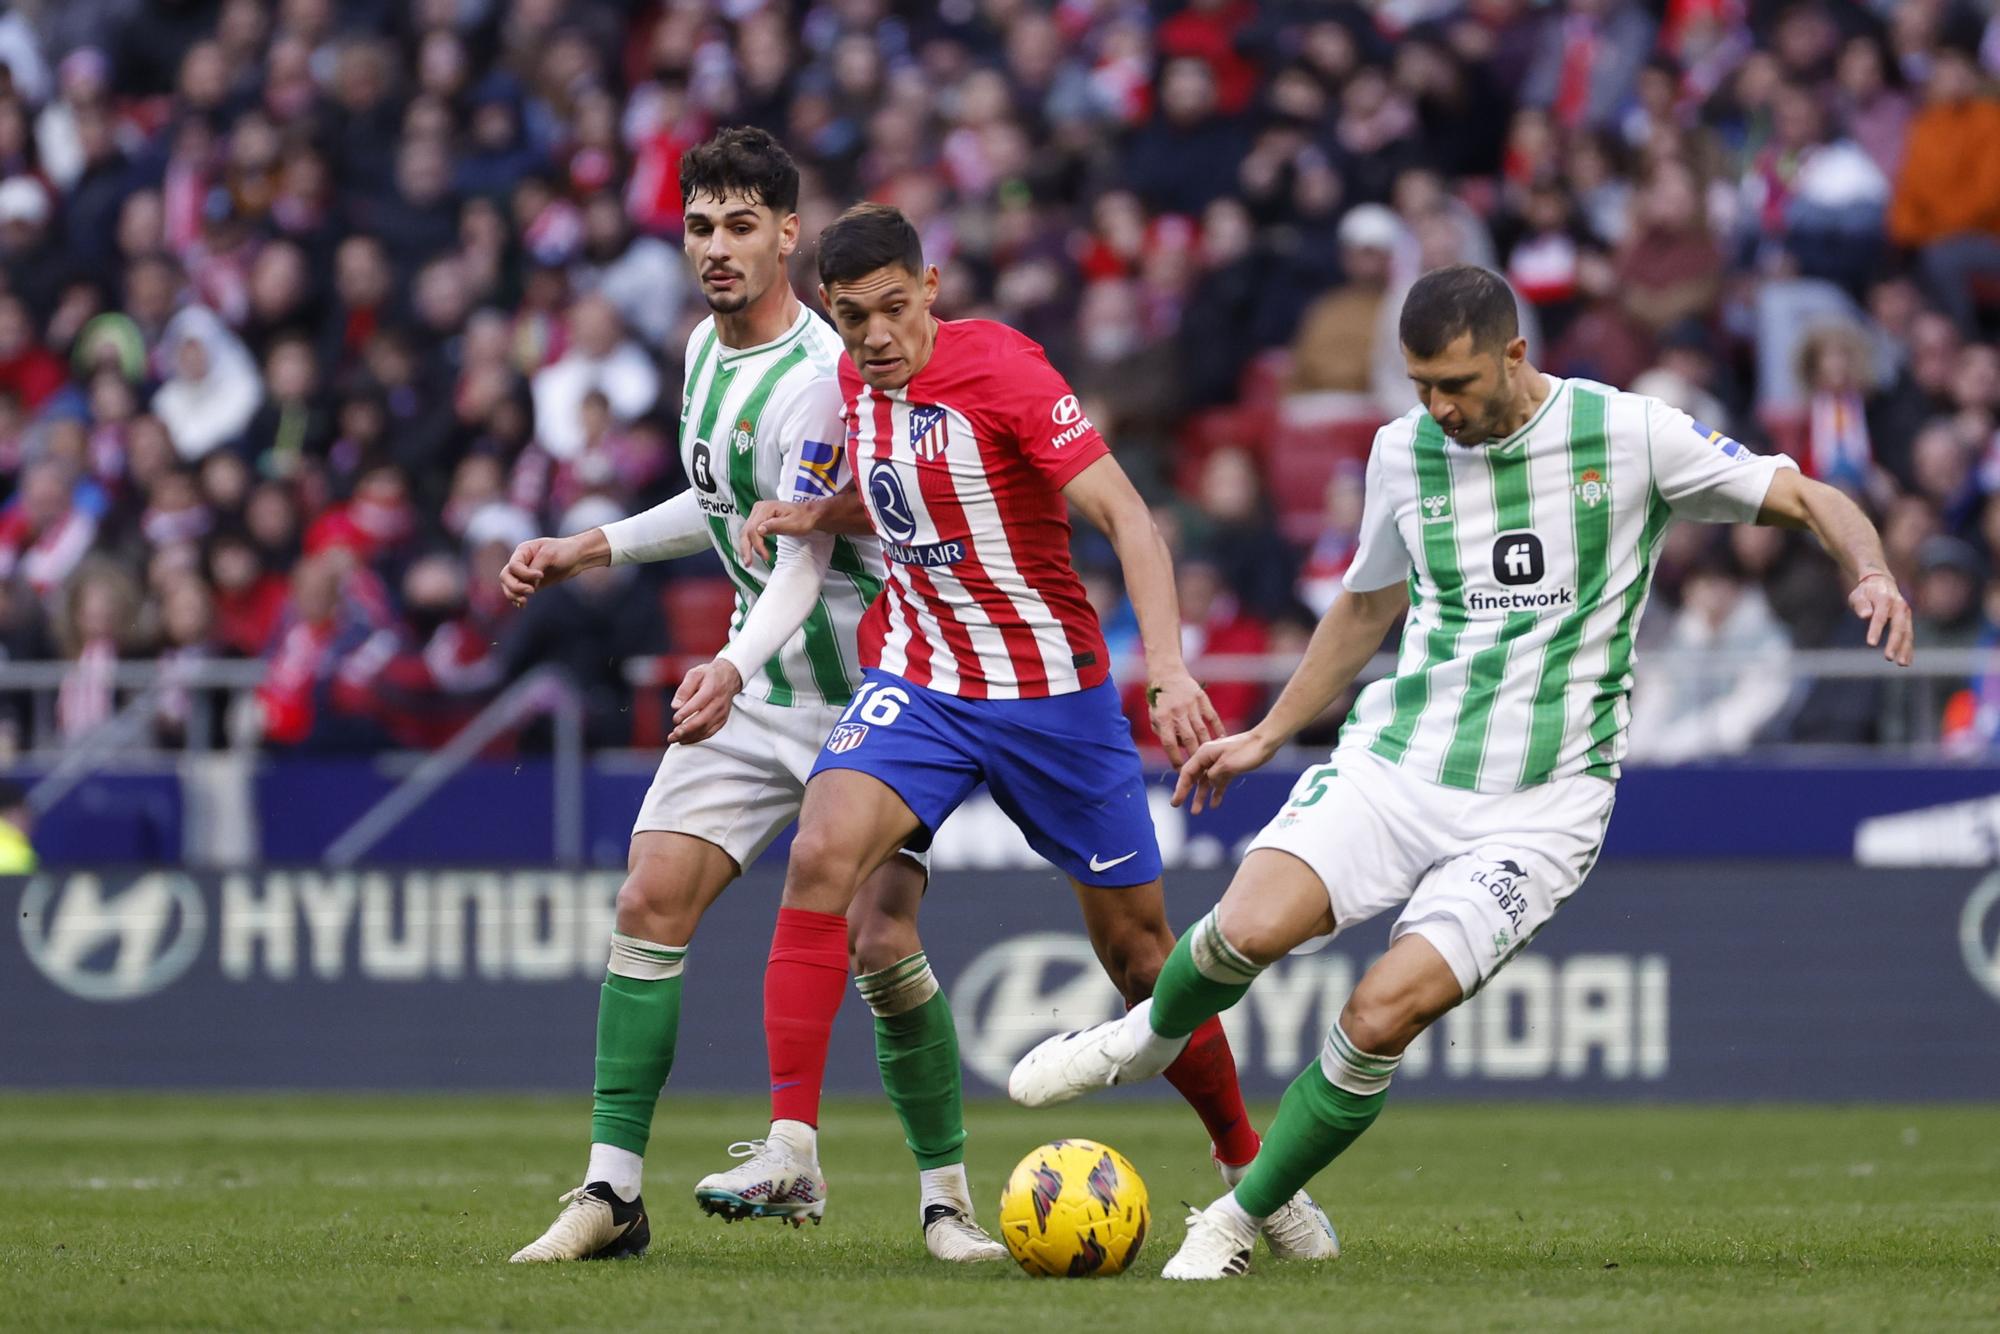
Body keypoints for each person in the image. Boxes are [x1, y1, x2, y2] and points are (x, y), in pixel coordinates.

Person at [1007, 264, 1914, 1279]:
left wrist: (1868, 569)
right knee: (1243, 928)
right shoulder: (1404, 453)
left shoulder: (1627, 434)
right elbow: (1362, 607)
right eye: (1418, 385)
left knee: (1377, 1015)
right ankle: (1146, 1036)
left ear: (1514, 356)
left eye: (1455, 384)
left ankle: (1230, 1219)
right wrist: (1270, 731)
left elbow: (1803, 493)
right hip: (1398, 763)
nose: (1437, 407)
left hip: (1538, 806)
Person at [731, 202, 1337, 1264]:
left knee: (1143, 958)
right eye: (849, 316)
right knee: (821, 850)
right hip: (917, 678)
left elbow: (1127, 518)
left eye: (888, 309)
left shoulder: (1005, 371)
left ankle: (1250, 1170)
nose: (872, 336)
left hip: (1053, 697)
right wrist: (816, 516)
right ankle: (792, 1143)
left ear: (928, 287)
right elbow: (914, 500)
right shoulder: (847, 389)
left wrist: (1168, 669)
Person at [504, 129, 991, 1267]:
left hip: (874, 690)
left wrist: (725, 664)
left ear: (786, 234)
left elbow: (803, 557)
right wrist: (594, 544)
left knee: (880, 937)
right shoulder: (698, 352)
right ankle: (611, 1191)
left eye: (739, 226)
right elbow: (723, 500)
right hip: (755, 681)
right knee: (648, 897)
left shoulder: (823, 378)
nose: (715, 249)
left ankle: (945, 1198)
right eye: (697, 226)